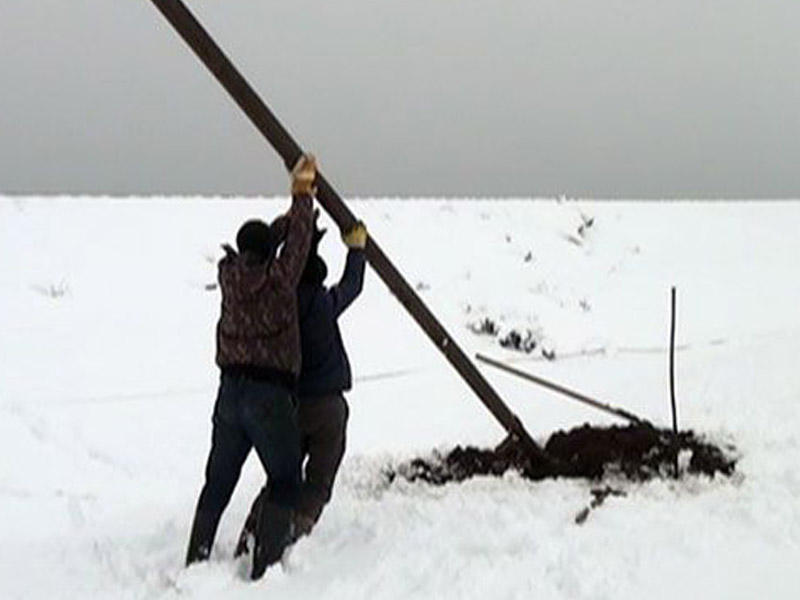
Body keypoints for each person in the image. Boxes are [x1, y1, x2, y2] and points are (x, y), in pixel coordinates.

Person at [185, 154, 317, 580]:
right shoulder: (279, 283)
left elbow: (272, 245)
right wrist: (302, 193)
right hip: (269, 397)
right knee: (285, 481)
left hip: (229, 394)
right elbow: (296, 247)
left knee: (218, 480)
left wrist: (274, 230)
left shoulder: (228, 275)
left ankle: (196, 559)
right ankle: (265, 570)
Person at [235, 214, 368, 556]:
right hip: (328, 408)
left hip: (289, 406)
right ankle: (295, 531)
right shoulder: (323, 303)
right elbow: (352, 286)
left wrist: (293, 227)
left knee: (282, 479)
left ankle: (253, 532)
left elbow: (269, 261)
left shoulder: (277, 304)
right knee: (318, 480)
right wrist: (357, 250)